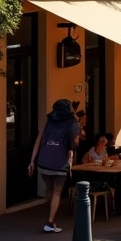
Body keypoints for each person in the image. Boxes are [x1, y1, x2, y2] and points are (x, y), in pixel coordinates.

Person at [28, 99, 81, 234]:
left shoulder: (48, 120)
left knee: (50, 190)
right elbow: (75, 144)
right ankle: (50, 222)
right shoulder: (73, 123)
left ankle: (50, 213)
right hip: (60, 162)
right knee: (57, 192)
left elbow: (38, 139)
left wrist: (32, 161)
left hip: (44, 160)